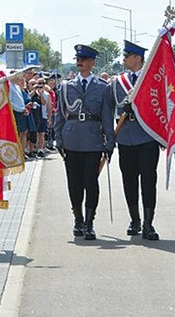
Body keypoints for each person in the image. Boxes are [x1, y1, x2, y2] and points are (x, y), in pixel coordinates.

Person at [54, 44, 114, 240]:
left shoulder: (103, 87)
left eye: (84, 60)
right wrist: (58, 139)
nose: (79, 62)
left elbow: (107, 116)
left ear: (92, 63)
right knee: (74, 183)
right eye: (78, 59)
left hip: (93, 140)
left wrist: (109, 143)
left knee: (91, 182)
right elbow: (60, 116)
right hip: (71, 139)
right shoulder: (65, 87)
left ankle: (89, 222)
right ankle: (78, 219)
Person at [108, 40, 160, 240]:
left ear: (138, 58)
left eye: (127, 56)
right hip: (125, 138)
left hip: (147, 137)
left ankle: (148, 222)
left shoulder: (151, 80)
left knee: (148, 180)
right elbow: (109, 108)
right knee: (129, 181)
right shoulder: (117, 82)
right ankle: (135, 219)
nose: (124, 59)